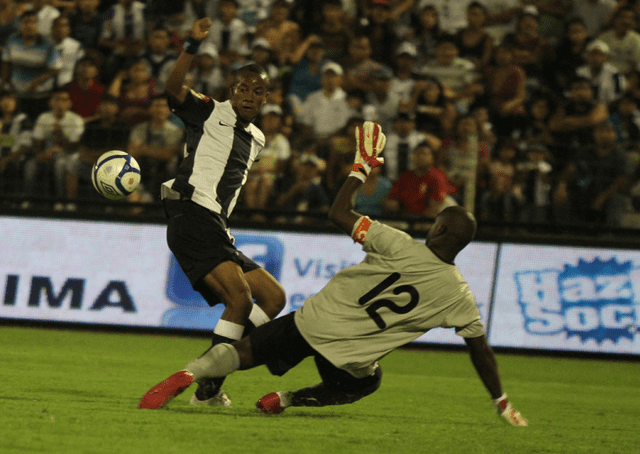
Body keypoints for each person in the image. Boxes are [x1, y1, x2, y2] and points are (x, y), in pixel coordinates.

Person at [138, 121, 528, 428]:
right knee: (366, 383)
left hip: (314, 321)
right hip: (350, 357)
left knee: (245, 352)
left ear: (439, 230)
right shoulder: (459, 296)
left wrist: (360, 168)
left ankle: (191, 372)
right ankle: (286, 399)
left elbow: (339, 212)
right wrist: (501, 401)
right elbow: (482, 353)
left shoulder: (398, 243)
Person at [160, 17, 286, 408]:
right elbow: (171, 89)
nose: (250, 94)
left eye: (258, 90)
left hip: (216, 224)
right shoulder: (209, 111)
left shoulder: (259, 137)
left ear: (266, 98)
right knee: (241, 300)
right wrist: (191, 47)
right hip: (191, 213)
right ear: (231, 91)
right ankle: (208, 386)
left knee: (275, 298)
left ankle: (214, 369)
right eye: (243, 87)